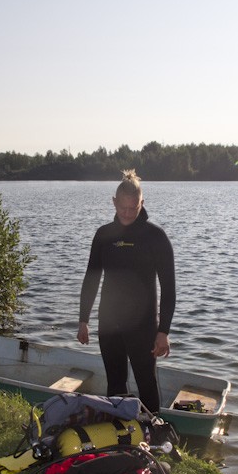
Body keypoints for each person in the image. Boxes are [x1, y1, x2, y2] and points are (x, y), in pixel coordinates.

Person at [77, 169, 175, 414]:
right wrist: (83, 320)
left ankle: (152, 437)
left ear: (142, 203)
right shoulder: (103, 235)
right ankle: (120, 437)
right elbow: (92, 278)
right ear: (114, 202)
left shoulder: (155, 237)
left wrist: (163, 331)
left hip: (143, 326)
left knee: (147, 383)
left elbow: (169, 287)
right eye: (123, 208)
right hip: (109, 324)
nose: (129, 213)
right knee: (116, 383)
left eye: (134, 208)